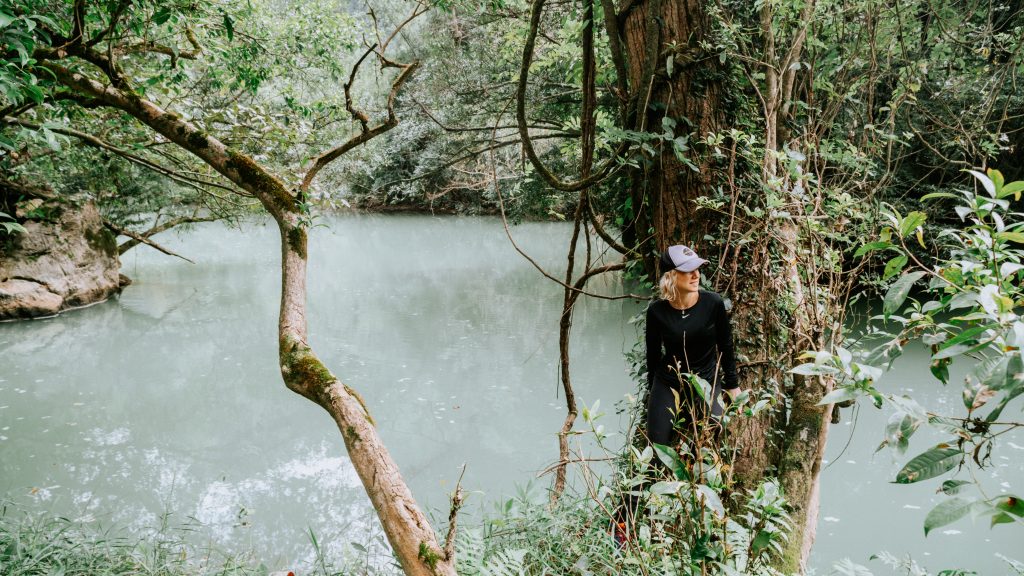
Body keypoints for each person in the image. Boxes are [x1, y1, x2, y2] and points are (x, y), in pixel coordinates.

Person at [645, 244, 741, 446]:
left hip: (705, 379)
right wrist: (652, 392)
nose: (696, 275)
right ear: (671, 276)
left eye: (697, 269)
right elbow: (653, 355)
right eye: (688, 271)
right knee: (657, 445)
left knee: (715, 428)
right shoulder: (656, 312)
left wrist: (732, 385)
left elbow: (725, 344)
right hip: (669, 381)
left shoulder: (713, 303)